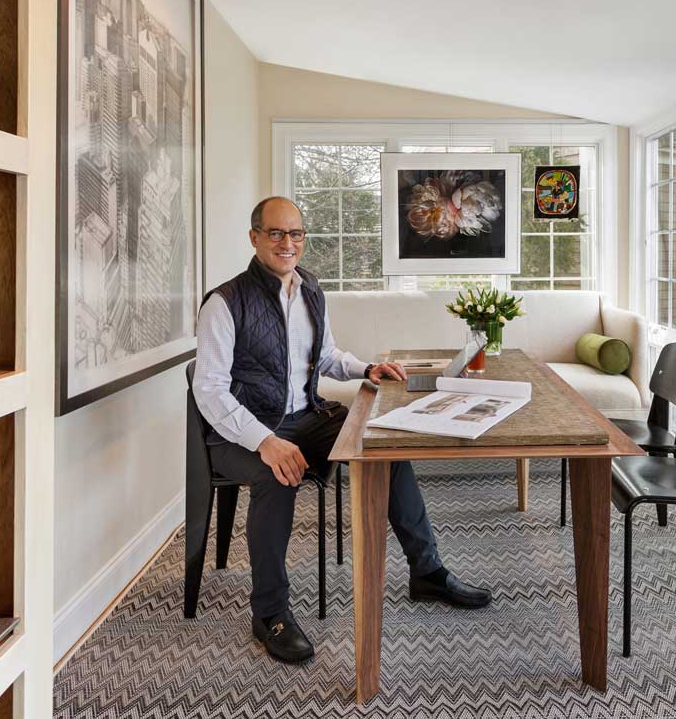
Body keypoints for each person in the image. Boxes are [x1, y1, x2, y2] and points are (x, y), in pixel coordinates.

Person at [192, 196, 492, 663]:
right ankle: (269, 612)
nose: (287, 243)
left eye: (295, 234)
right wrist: (266, 442)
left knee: (384, 443)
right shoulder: (225, 303)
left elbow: (327, 356)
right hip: (240, 432)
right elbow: (209, 392)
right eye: (275, 233)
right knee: (278, 474)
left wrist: (366, 368)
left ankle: (427, 570)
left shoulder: (309, 288)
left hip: (307, 416)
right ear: (254, 238)